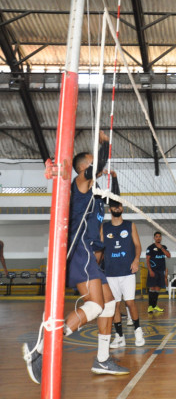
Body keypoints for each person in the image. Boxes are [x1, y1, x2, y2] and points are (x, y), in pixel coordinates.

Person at [22, 131, 129, 384]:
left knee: (109, 302)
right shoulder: (80, 185)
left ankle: (102, 359)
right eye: (91, 164)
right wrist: (105, 145)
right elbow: (96, 168)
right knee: (96, 305)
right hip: (78, 249)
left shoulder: (95, 193)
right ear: (83, 168)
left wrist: (113, 180)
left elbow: (116, 205)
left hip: (88, 252)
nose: (96, 169)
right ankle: (41, 349)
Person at [101, 200, 145, 348]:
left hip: (127, 272)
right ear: (110, 210)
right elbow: (100, 249)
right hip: (110, 273)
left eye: (119, 206)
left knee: (130, 303)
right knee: (115, 305)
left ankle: (138, 331)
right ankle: (119, 337)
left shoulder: (130, 225)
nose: (116, 208)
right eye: (114, 206)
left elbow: (138, 245)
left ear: (122, 208)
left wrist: (136, 260)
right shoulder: (104, 227)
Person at [146, 231, 170, 313]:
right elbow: (147, 260)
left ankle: (154, 305)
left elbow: (169, 256)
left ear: (161, 238)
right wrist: (150, 270)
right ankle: (150, 306)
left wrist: (162, 248)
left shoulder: (164, 247)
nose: (158, 238)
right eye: (156, 236)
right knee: (152, 288)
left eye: (159, 236)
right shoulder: (150, 248)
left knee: (157, 288)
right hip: (153, 271)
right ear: (154, 238)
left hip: (161, 271)